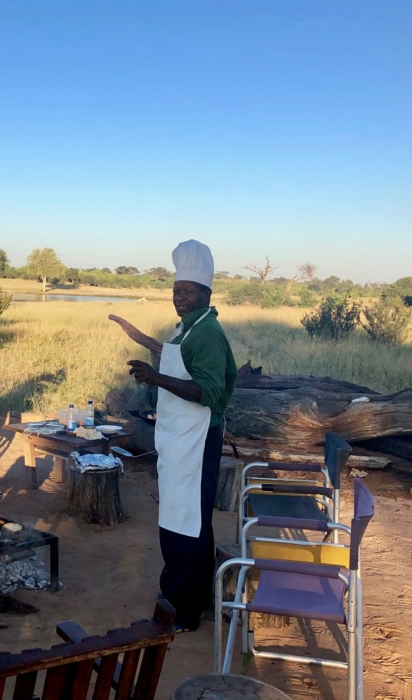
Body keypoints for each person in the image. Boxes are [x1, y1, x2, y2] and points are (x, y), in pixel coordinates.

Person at [127, 240, 237, 631]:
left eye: (187, 291)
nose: (180, 298)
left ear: (206, 293)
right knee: (185, 519)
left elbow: (208, 392)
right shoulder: (189, 329)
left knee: (187, 522)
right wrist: (151, 358)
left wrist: (156, 377)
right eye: (176, 291)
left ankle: (184, 610)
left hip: (196, 439)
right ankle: (185, 599)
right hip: (182, 438)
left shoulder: (207, 333)